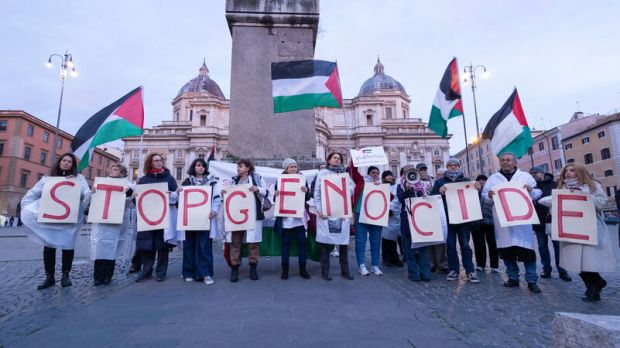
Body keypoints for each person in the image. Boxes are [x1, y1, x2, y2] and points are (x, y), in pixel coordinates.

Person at [538, 162, 616, 302]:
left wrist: (584, 196)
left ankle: (594, 287)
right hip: (569, 228)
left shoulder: (592, 185)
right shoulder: (562, 187)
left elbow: (601, 202)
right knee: (576, 261)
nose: (568, 173)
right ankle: (593, 286)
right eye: (566, 171)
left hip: (589, 227)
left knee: (588, 260)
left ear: (580, 172)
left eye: (572, 170)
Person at [21, 153, 91, 290]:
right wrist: (26, 207)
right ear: (59, 162)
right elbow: (34, 193)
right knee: (49, 247)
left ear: (73, 165)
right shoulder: (48, 178)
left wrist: (74, 184)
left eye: (69, 162)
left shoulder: (79, 178)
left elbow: (86, 194)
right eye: (64, 160)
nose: (66, 163)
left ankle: (66, 275)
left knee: (68, 247)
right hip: (51, 219)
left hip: (69, 219)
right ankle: (49, 276)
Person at [482, 153, 542, 293]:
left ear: (515, 162)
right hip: (503, 221)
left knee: (527, 251)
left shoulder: (525, 177)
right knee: (506, 251)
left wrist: (530, 190)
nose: (505, 162)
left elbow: (538, 193)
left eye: (508, 160)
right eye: (502, 160)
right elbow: (485, 196)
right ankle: (513, 277)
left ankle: (532, 280)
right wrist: (489, 196)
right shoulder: (493, 178)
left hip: (522, 221)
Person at [431, 158, 480, 283]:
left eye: (455, 165)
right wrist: (439, 192)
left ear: (459, 166)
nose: (453, 167)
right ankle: (453, 270)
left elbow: (474, 198)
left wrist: (477, 189)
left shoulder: (466, 181)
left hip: (463, 220)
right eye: (450, 165)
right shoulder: (440, 182)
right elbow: (433, 198)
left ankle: (470, 271)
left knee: (465, 245)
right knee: (451, 246)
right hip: (448, 220)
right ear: (447, 167)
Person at [134, 153, 178, 282]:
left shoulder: (169, 178)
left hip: (164, 217)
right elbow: (138, 201)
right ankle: (146, 271)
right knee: (147, 245)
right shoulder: (143, 180)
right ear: (150, 163)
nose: (159, 162)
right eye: (156, 161)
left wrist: (173, 195)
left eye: (160, 160)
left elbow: (176, 197)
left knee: (163, 246)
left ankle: (161, 272)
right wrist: (135, 196)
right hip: (148, 218)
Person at [222, 159, 267, 282]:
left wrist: (257, 189)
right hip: (237, 216)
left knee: (253, 243)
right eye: (238, 166)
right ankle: (235, 268)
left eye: (240, 166)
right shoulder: (233, 180)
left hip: (253, 215)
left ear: (248, 168)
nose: (238, 168)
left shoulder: (257, 178)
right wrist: (224, 192)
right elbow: (227, 194)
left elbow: (266, 191)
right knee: (236, 242)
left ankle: (253, 268)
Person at [90, 163, 135, 286]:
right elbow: (90, 199)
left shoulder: (128, 185)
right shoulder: (100, 183)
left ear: (122, 173)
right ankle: (97, 276)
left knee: (112, 248)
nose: (112, 171)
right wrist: (92, 192)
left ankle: (107, 276)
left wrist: (130, 195)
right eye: (112, 169)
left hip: (117, 221)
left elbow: (131, 205)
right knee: (98, 247)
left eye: (116, 169)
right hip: (101, 220)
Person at [178, 158, 221, 285]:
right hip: (190, 219)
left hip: (205, 219)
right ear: (194, 167)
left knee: (204, 246)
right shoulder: (186, 182)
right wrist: (179, 192)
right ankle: (188, 272)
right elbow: (179, 198)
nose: (200, 168)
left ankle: (206, 273)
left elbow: (217, 198)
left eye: (202, 166)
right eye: (198, 165)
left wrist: (214, 210)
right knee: (189, 245)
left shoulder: (212, 182)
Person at [314, 151, 354, 281]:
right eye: (334, 158)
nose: (337, 160)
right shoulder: (322, 174)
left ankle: (345, 271)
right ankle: (325, 271)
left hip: (341, 212)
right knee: (326, 243)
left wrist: (347, 184)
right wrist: (319, 210)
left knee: (343, 243)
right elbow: (317, 194)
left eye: (339, 158)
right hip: (327, 213)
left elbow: (351, 190)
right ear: (329, 160)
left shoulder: (345, 175)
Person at [530, 166, 571, 281]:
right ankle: (546, 269)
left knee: (558, 247)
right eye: (531, 173)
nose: (533, 174)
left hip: (554, 220)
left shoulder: (555, 184)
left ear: (542, 173)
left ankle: (562, 271)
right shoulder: (532, 187)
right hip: (538, 221)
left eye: (535, 172)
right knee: (542, 247)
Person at [273, 158, 311, 280]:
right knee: (285, 244)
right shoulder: (279, 181)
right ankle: (285, 270)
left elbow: (307, 197)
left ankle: (303, 269)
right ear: (286, 169)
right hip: (286, 219)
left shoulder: (302, 179)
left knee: (302, 243)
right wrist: (276, 194)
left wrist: (307, 191)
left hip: (299, 218)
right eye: (291, 167)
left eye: (295, 166)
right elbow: (276, 200)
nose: (294, 168)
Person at [398, 164, 433, 281]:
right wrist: (408, 189)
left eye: (411, 171)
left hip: (421, 220)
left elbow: (428, 199)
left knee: (423, 248)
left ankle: (425, 273)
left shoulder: (422, 186)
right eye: (406, 171)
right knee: (409, 249)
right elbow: (401, 200)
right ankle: (414, 274)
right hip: (407, 221)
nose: (410, 173)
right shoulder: (401, 186)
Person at [351, 165, 383, 276]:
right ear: (368, 173)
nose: (375, 174)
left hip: (377, 215)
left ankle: (375, 265)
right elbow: (353, 172)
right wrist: (354, 159)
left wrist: (383, 186)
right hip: (361, 213)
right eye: (373, 172)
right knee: (360, 240)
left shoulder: (381, 184)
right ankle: (361, 265)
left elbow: (390, 197)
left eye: (377, 173)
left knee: (376, 241)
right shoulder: (362, 181)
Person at [471, 174, 499, 273]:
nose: (482, 181)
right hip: (476, 222)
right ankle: (480, 264)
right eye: (479, 180)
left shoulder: (491, 191)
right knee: (479, 244)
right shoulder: (472, 191)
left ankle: (495, 265)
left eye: (484, 180)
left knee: (493, 244)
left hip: (490, 221)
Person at [381, 170, 403, 267]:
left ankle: (395, 257)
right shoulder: (381, 187)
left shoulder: (397, 186)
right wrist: (386, 209)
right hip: (385, 215)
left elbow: (398, 199)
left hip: (397, 214)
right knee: (385, 238)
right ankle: (387, 259)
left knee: (394, 237)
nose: (389, 177)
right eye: (387, 176)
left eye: (390, 175)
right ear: (384, 178)